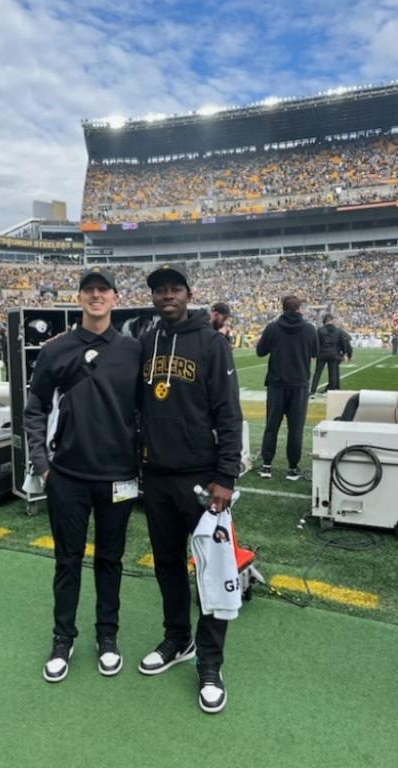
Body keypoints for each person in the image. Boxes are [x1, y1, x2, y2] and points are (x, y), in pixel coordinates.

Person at [24, 267, 141, 683]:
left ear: (114, 298)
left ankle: (107, 637)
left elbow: (145, 411)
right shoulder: (57, 349)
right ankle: (63, 637)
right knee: (67, 561)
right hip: (68, 476)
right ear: (78, 299)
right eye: (88, 290)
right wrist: (43, 466)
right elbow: (35, 409)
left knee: (110, 560)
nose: (96, 296)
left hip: (118, 476)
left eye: (103, 290)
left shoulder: (132, 350)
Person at [138, 263, 243, 715]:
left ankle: (210, 663)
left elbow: (229, 414)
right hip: (156, 476)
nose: (167, 296)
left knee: (214, 573)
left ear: (187, 293)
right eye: (159, 290)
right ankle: (178, 638)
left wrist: (226, 477)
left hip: (202, 479)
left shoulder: (212, 343)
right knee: (166, 566)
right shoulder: (146, 341)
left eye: (174, 289)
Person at [256, 295, 318, 481]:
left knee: (271, 427)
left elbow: (260, 352)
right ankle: (292, 468)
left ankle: (267, 466)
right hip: (299, 385)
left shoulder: (273, 328)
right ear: (299, 308)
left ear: (282, 308)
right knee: (295, 429)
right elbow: (315, 352)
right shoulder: (309, 329)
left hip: (276, 384)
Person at [310, 314, 351, 396]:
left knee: (317, 373)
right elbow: (343, 343)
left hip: (322, 354)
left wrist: (313, 354)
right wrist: (344, 354)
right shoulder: (338, 330)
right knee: (333, 374)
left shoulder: (320, 330)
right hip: (334, 354)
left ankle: (313, 390)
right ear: (331, 320)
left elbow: (316, 343)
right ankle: (332, 392)